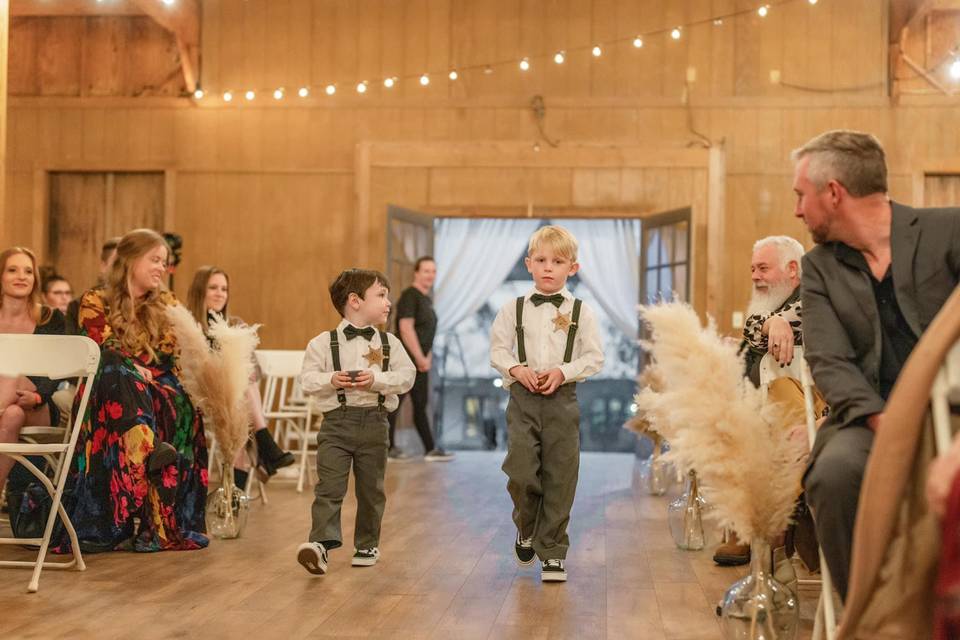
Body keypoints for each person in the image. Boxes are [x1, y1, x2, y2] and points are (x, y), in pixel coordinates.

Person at [794, 129, 960, 600]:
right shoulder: (818, 267)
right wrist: (887, 424)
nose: (797, 210)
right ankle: (866, 617)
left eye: (801, 195)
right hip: (867, 420)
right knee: (834, 475)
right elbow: (828, 360)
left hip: (955, 411)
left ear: (833, 193)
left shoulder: (949, 231)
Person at [58, 228, 209, 553]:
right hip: (107, 391)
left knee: (177, 397)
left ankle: (153, 508)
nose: (161, 267)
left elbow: (172, 358)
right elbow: (101, 347)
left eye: (164, 262)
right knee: (115, 365)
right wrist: (131, 368)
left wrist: (145, 375)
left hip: (155, 388)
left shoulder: (168, 305)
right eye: (154, 259)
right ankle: (147, 454)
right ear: (129, 260)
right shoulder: (93, 301)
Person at [490, 225, 604, 582]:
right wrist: (515, 368)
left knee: (560, 474)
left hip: (562, 401)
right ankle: (526, 527)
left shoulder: (582, 312)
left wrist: (563, 371)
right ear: (528, 264)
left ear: (573, 268)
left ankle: (553, 550)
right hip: (521, 399)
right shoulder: (514, 309)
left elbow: (594, 357)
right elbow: (497, 349)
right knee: (521, 470)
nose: (548, 267)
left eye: (557, 261)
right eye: (541, 260)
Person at [296, 269, 415, 575]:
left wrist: (376, 379)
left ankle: (366, 543)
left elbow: (407, 376)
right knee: (329, 486)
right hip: (336, 424)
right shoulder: (323, 343)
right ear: (355, 301)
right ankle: (320, 545)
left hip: (375, 423)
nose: (388, 302)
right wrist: (331, 379)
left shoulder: (390, 343)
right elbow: (308, 380)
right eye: (381, 295)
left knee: (371, 489)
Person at [714, 234, 808, 566]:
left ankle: (765, 538)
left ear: (793, 269)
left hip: (798, 408)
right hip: (759, 400)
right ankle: (744, 526)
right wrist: (770, 322)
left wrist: (774, 322)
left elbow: (776, 329)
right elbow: (754, 329)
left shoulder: (812, 298)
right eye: (753, 269)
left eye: (763, 268)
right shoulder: (771, 307)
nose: (755, 276)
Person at [186, 265, 294, 487]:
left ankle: (236, 494)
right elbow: (190, 371)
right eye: (213, 287)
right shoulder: (189, 326)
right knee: (238, 395)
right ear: (200, 291)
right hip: (199, 397)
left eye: (224, 289)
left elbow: (253, 370)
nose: (220, 294)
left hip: (232, 401)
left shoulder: (233, 324)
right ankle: (264, 444)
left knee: (239, 400)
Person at [0, 247, 67, 494]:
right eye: (13, 270)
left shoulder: (50, 318)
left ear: (35, 278)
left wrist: (39, 396)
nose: (22, 276)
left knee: (10, 374)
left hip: (40, 405)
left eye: (28, 271)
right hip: (12, 407)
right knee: (12, 415)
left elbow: (58, 371)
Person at [387, 256, 453, 462]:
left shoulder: (426, 299)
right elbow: (406, 329)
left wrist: (427, 357)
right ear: (416, 273)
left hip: (421, 361)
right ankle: (388, 449)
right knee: (394, 403)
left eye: (433, 271)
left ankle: (430, 449)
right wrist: (418, 357)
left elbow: (427, 332)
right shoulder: (410, 296)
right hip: (406, 360)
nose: (430, 275)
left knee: (420, 403)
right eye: (426, 271)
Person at [65, 237, 119, 334]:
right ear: (103, 266)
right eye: (117, 263)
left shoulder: (147, 302)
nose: (123, 269)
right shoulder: (79, 304)